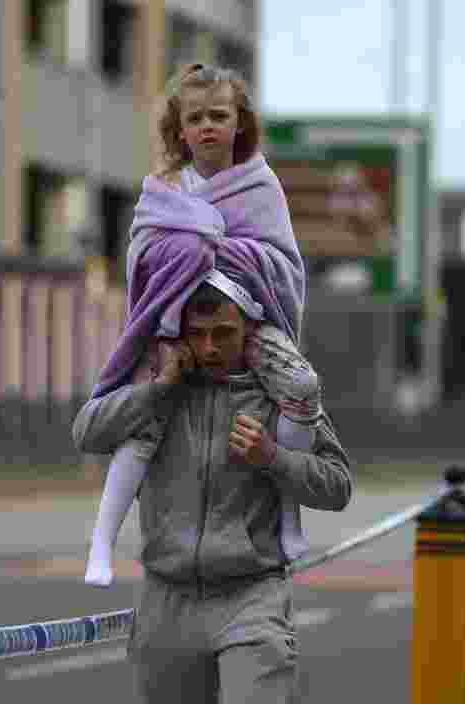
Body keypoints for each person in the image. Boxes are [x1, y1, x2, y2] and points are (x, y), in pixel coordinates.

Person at [84, 63, 324, 587]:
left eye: (219, 114)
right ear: (180, 128)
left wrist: (211, 245)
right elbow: (143, 255)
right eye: (196, 117)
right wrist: (190, 250)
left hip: (250, 324)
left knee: (301, 387)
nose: (208, 126)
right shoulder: (165, 187)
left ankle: (288, 515)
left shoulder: (262, 186)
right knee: (147, 417)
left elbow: (282, 264)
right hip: (173, 326)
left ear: (241, 123)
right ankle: (101, 542)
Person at [72, 277, 353, 704]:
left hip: (252, 598)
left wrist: (272, 456)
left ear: (249, 331)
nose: (208, 348)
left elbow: (337, 486)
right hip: (165, 601)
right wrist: (156, 391)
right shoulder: (156, 387)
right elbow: (86, 434)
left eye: (223, 334)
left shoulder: (280, 394)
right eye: (197, 335)